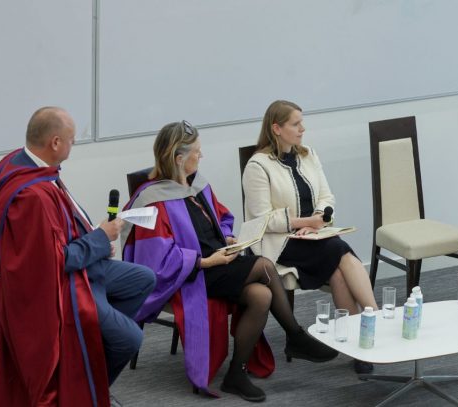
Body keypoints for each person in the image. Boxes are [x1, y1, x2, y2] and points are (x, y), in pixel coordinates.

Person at [121, 120, 338, 403]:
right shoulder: (152, 201)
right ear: (178, 158)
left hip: (219, 264)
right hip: (190, 274)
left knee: (260, 295)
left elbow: (221, 218)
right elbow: (155, 258)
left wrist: (228, 237)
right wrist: (205, 262)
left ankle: (236, 374)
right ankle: (295, 335)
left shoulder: (196, 185)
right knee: (264, 266)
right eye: (197, 152)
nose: (202, 156)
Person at [0, 107, 156, 406]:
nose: (74, 145)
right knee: (129, 340)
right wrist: (99, 238)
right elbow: (56, 261)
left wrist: (94, 239)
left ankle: (88, 373)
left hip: (78, 263)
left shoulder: (20, 164)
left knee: (142, 279)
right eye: (72, 140)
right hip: (58, 285)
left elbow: (56, 237)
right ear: (55, 143)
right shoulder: (32, 196)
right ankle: (86, 389)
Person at [242, 100, 379, 373]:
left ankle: (360, 344)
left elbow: (327, 196)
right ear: (277, 128)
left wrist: (319, 219)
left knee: (338, 269)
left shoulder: (308, 155)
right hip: (278, 244)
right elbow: (262, 219)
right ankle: (375, 320)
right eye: (296, 124)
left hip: (314, 236)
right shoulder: (258, 166)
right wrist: (306, 222)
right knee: (338, 250)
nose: (303, 129)